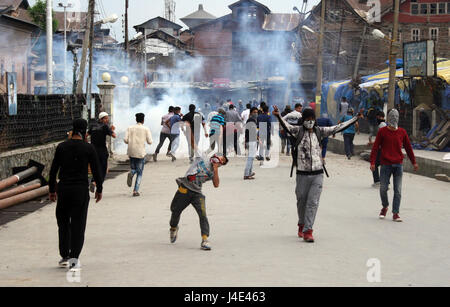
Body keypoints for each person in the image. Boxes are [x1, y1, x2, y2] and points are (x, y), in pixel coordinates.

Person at [273, 106, 360, 243]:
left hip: (318, 173)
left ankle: (308, 230)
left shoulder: (320, 131)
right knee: (301, 201)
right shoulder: (297, 131)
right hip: (302, 173)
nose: (310, 121)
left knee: (313, 202)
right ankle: (301, 224)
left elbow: (337, 128)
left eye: (312, 119)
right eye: (307, 119)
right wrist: (278, 116)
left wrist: (355, 118)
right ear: (303, 120)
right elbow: (286, 125)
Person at [49, 119, 103, 271]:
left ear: (72, 130)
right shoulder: (88, 148)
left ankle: (64, 256)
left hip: (64, 189)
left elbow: (53, 170)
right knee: (78, 225)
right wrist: (99, 188)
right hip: (80, 190)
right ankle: (74, 258)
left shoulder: (61, 147)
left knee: (63, 223)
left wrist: (52, 190)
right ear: (85, 133)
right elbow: (97, 170)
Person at [169, 151, 229, 250]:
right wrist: (191, 135)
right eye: (220, 157)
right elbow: (193, 143)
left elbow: (216, 184)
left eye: (222, 161)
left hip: (197, 193)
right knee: (175, 210)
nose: (219, 159)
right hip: (184, 188)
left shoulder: (213, 172)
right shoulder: (202, 157)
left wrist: (215, 169)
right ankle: (173, 228)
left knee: (203, 214)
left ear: (221, 164)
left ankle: (205, 239)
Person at [370, 109, 418, 222]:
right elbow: (375, 147)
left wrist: (414, 162)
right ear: (388, 118)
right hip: (385, 164)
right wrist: (372, 162)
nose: (394, 119)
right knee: (383, 188)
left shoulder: (402, 132)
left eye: (396, 117)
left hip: (398, 165)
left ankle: (395, 213)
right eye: (392, 117)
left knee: (398, 190)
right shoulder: (382, 132)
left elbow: (408, 148)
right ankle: (385, 206)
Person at [124, 113, 153, 197]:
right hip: (140, 152)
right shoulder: (145, 129)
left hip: (131, 152)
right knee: (139, 172)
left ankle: (132, 172)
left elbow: (125, 140)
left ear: (136, 119)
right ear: (143, 120)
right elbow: (150, 142)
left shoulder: (129, 128)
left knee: (133, 168)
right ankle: (135, 191)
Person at [88, 112, 116, 192]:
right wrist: (112, 130)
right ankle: (96, 185)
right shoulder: (105, 127)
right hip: (102, 151)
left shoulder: (92, 126)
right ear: (101, 119)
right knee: (103, 170)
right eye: (106, 118)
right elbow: (114, 135)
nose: (107, 120)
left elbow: (86, 135)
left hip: (93, 151)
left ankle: (94, 181)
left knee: (96, 168)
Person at [371, 111, 387, 187]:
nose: (377, 119)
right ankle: (384, 181)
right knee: (383, 165)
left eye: (378, 117)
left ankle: (377, 181)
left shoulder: (382, 125)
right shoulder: (383, 124)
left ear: (380, 117)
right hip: (382, 147)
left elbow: (382, 137)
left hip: (381, 148)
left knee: (375, 164)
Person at [244, 107, 259, 180]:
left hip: (251, 140)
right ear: (251, 113)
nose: (256, 114)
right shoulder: (251, 120)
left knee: (251, 157)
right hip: (251, 141)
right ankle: (246, 174)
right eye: (254, 112)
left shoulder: (252, 120)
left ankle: (249, 172)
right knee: (250, 158)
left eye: (257, 112)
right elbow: (252, 132)